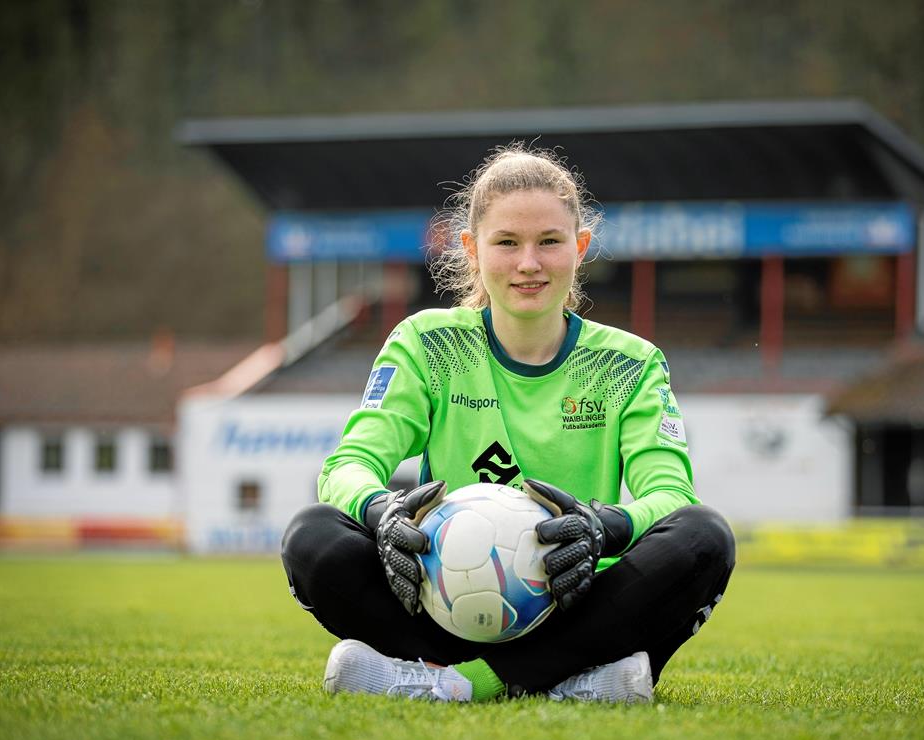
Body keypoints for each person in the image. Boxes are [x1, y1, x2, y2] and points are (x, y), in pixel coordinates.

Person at [280, 145, 735, 703]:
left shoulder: (630, 364)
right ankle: (565, 682)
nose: (528, 264)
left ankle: (456, 684)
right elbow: (348, 466)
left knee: (705, 537)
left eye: (549, 241)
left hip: (580, 601)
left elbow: (670, 494)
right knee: (312, 537)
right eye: (506, 243)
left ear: (580, 248)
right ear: (471, 249)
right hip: (443, 601)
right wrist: (383, 512)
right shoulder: (427, 343)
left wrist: (602, 527)